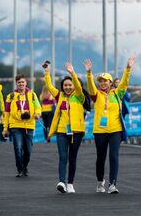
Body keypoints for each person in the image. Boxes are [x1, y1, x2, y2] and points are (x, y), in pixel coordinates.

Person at [84, 56, 135, 194]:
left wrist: (128, 68)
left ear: (110, 82)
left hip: (115, 130)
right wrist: (89, 73)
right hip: (100, 131)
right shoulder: (96, 95)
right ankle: (100, 182)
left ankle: (113, 184)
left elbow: (124, 82)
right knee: (100, 157)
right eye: (100, 81)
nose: (102, 83)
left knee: (114, 156)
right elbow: (90, 86)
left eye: (105, 81)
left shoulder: (117, 94)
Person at [44, 61, 85, 194]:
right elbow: (49, 86)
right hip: (62, 131)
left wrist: (72, 73)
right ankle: (61, 181)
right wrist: (46, 72)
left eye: (70, 85)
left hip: (76, 131)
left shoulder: (79, 96)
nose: (67, 87)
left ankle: (70, 183)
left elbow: (78, 87)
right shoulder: (59, 96)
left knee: (72, 158)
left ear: (73, 85)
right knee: (63, 157)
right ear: (62, 87)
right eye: (65, 85)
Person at [2, 74, 41, 177]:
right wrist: (5, 128)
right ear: (16, 84)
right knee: (18, 148)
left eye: (23, 82)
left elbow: (38, 107)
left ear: (26, 83)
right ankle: (20, 169)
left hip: (29, 125)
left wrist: (37, 114)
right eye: (19, 82)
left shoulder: (32, 95)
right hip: (15, 125)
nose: (21, 84)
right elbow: (6, 113)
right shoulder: (10, 97)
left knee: (28, 150)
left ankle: (24, 166)